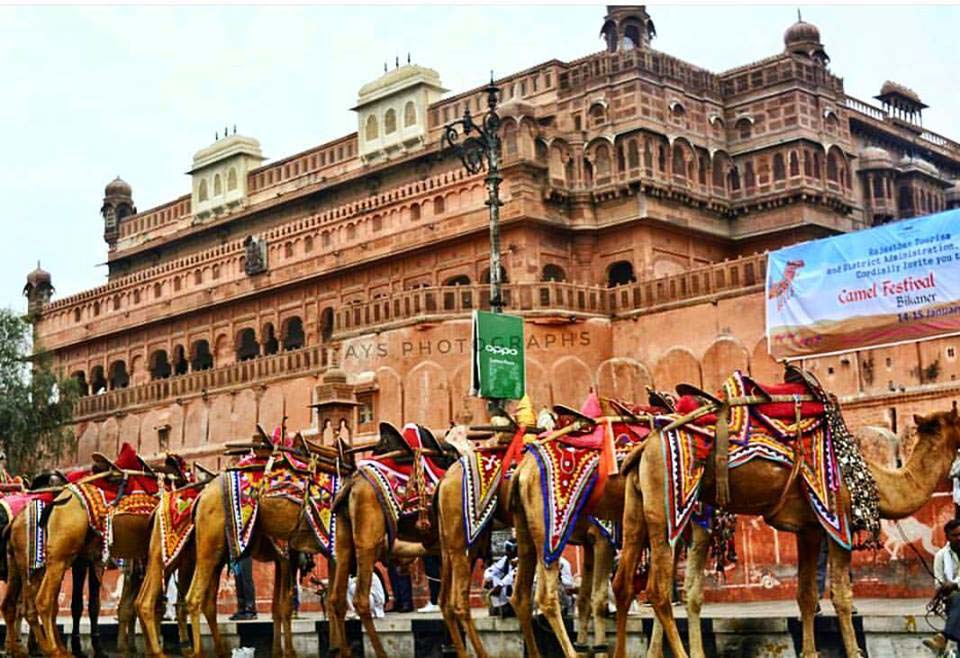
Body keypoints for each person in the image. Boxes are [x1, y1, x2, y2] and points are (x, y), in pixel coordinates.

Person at [925, 519, 960, 653]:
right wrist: (943, 587)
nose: (959, 538)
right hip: (952, 599)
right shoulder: (941, 556)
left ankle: (944, 637)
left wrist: (955, 584)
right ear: (947, 537)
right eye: (955, 535)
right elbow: (938, 582)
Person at [484, 539, 518, 618]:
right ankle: (500, 607)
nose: (506, 553)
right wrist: (488, 578)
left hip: (520, 592)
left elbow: (513, 574)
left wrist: (500, 585)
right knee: (493, 578)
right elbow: (492, 569)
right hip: (506, 592)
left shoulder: (523, 561)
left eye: (509, 551)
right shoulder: (506, 559)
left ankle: (511, 607)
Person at [229, 555, 258, 620]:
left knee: (246, 577)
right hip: (234, 551)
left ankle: (250, 609)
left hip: (244, 549)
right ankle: (241, 609)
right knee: (238, 579)